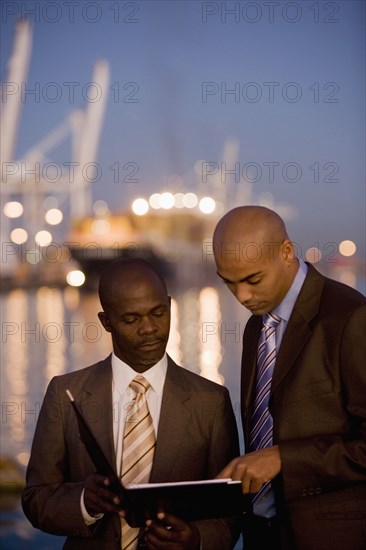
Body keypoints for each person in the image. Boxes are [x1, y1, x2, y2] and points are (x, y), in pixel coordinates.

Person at [22, 259, 240, 550]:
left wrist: (197, 539)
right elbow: (36, 499)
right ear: (106, 322)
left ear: (170, 305)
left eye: (158, 313)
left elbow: (232, 511)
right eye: (131, 319)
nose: (149, 328)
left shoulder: (212, 400)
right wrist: (84, 503)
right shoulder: (65, 393)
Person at [212, 206, 366, 550]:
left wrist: (283, 459)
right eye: (229, 283)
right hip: (262, 535)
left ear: (286, 252)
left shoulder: (351, 317)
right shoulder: (256, 327)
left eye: (253, 280)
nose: (242, 297)